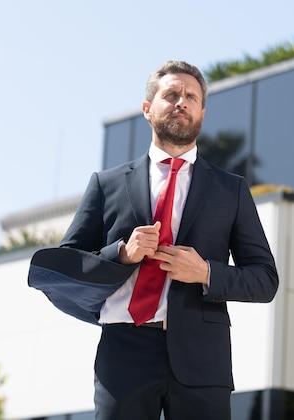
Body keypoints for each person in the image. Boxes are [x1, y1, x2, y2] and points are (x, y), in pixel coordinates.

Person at [28, 60, 278, 420]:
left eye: (191, 96)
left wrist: (207, 272)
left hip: (201, 357)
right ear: (148, 109)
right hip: (124, 352)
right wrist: (121, 255)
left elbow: (265, 280)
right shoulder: (107, 183)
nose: (181, 102)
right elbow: (69, 264)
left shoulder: (232, 190)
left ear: (202, 113)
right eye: (171, 94)